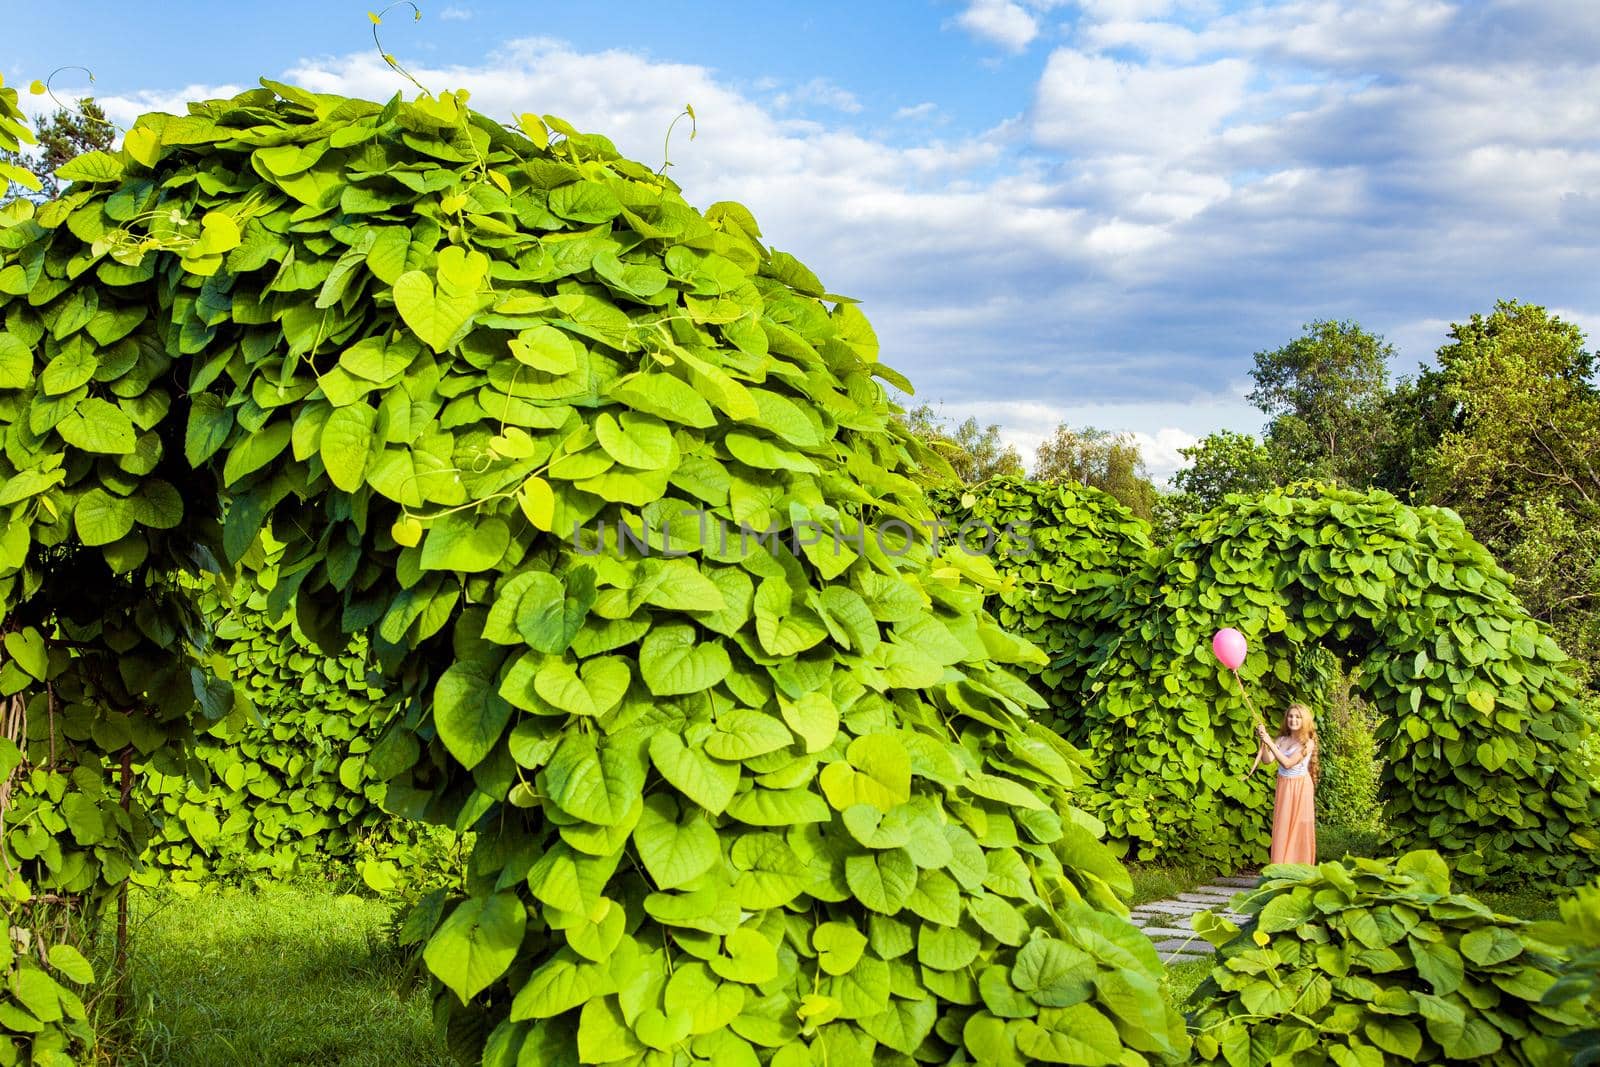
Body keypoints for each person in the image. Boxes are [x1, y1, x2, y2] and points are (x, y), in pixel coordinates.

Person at [1242, 702, 1319, 865]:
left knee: (1298, 827)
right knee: (1282, 826)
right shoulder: (1282, 739)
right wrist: (1263, 741)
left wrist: (1270, 743)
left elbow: (1288, 763)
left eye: (1298, 717)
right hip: (1284, 785)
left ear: (1304, 720)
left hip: (1299, 787)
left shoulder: (1308, 743)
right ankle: (1280, 866)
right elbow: (1268, 760)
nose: (1293, 720)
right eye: (1290, 716)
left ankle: (1299, 867)